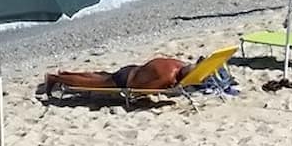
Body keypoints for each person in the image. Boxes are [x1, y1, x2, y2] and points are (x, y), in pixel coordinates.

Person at [43, 57, 189, 95]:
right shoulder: (168, 77)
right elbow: (141, 89)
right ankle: (54, 78)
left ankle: (66, 74)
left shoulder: (178, 63)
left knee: (99, 77)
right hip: (125, 80)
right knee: (90, 84)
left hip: (131, 69)